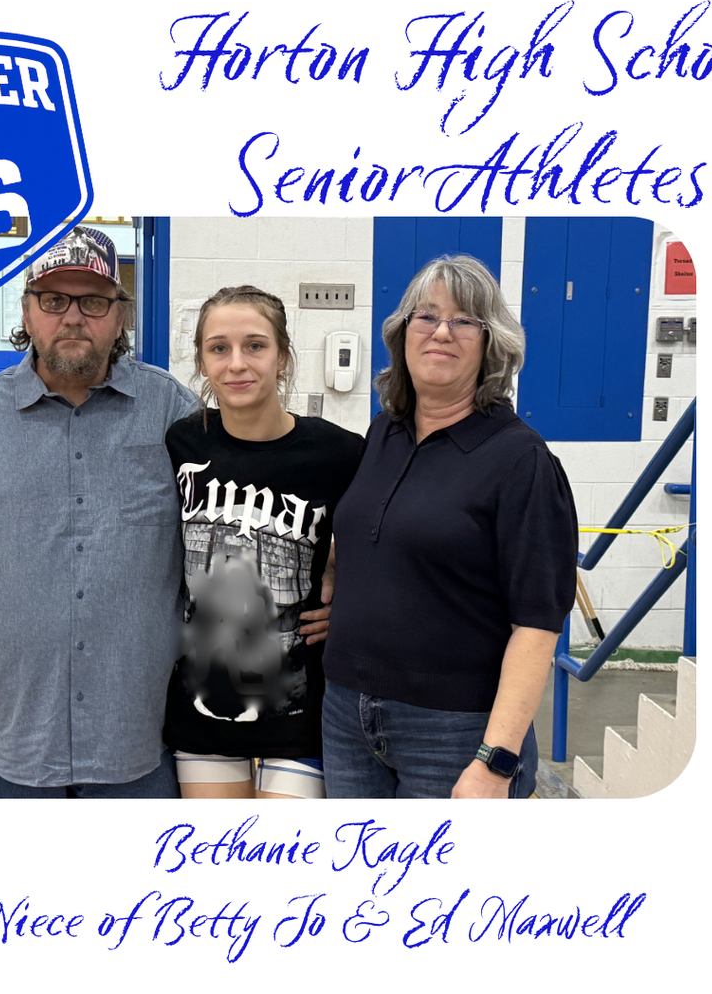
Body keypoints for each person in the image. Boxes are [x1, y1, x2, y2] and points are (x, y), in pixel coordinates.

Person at [0, 226, 198, 797]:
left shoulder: (175, 414)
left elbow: (223, 542)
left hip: (137, 737)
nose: (73, 317)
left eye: (95, 301)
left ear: (120, 315)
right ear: (27, 312)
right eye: (54, 300)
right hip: (6, 739)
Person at [321, 255, 578, 799]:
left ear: (491, 343)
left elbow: (537, 625)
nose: (441, 331)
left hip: (455, 730)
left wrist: (496, 760)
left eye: (464, 320)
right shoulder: (384, 432)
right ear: (402, 334)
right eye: (427, 316)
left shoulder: (521, 461)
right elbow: (383, 531)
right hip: (345, 713)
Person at [163, 285, 364, 799]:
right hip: (202, 699)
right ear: (203, 362)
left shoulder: (339, 453)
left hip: (298, 704)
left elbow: (386, 545)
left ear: (283, 358)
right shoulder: (182, 443)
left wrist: (352, 606)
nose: (236, 364)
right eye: (218, 348)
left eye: (255, 345)